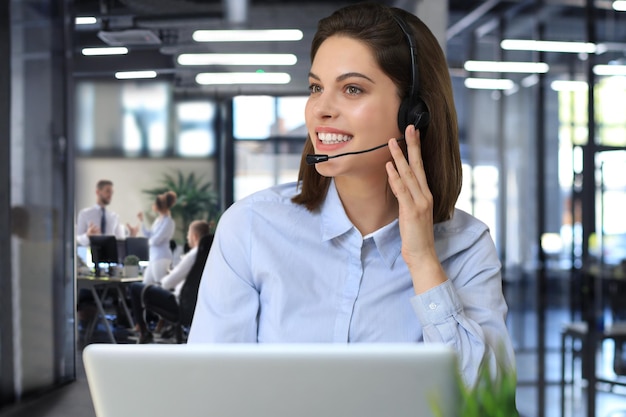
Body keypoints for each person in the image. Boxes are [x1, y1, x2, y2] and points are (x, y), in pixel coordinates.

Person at [188, 2, 515, 387]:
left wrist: (424, 261)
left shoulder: (466, 246)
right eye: (316, 88)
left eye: (352, 89)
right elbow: (210, 390)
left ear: (414, 113)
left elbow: (488, 402)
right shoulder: (250, 228)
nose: (321, 109)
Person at [129, 220, 212, 344]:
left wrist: (168, 276)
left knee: (135, 287)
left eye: (188, 234)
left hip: (178, 305)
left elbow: (167, 284)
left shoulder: (192, 256)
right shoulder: (209, 256)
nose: (187, 237)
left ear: (194, 236)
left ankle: (143, 331)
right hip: (196, 307)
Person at [76, 179, 139, 246]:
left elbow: (120, 241)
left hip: (110, 255)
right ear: (97, 192)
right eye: (107, 191)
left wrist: (131, 236)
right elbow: (78, 239)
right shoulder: (84, 214)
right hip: (89, 254)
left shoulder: (114, 217)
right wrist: (87, 236)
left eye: (112, 192)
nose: (110, 195)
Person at [138, 190, 177, 285]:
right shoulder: (158, 220)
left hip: (161, 257)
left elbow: (156, 240)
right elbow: (150, 235)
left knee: (160, 284)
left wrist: (150, 241)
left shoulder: (168, 222)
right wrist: (141, 221)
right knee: (146, 283)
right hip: (154, 257)